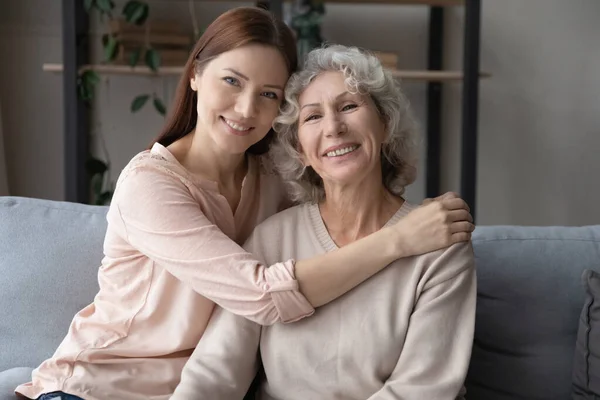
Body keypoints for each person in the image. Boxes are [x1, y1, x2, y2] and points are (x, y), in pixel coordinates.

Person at [15, 8, 474, 400]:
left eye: (269, 95)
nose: (245, 108)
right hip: (98, 387)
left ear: (385, 123)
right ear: (195, 74)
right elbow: (260, 298)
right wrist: (397, 241)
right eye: (231, 81)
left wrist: (412, 230)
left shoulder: (270, 184)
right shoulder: (150, 187)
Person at [171, 44, 476, 400]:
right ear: (299, 148)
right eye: (313, 117)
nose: (334, 127)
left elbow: (422, 389)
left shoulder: (440, 243)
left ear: (385, 124)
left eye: (349, 106)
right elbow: (215, 372)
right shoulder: (272, 238)